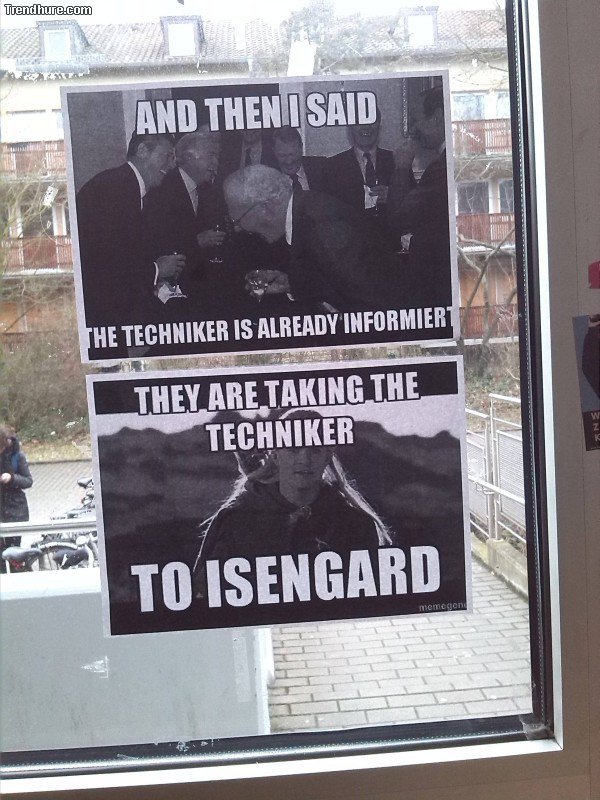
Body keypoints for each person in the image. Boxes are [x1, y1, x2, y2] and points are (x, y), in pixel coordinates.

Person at [195, 411, 390, 574]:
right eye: (294, 449)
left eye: (315, 449)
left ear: (327, 456)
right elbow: (204, 595)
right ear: (276, 455)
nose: (305, 459)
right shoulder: (235, 521)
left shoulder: (355, 524)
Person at [222, 165, 411, 313]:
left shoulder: (322, 227)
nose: (239, 228)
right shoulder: (306, 208)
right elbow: (338, 279)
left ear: (265, 207)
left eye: (238, 219)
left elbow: (370, 302)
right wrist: (291, 284)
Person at [75, 132, 182, 331]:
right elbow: (107, 266)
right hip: (104, 315)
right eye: (168, 155)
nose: (172, 165)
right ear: (142, 151)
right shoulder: (114, 190)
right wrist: (157, 270)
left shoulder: (123, 184)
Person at [143, 127, 227, 309]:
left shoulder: (207, 189)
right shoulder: (162, 189)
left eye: (217, 156)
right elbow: (156, 245)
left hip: (201, 284)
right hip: (171, 292)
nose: (216, 162)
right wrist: (197, 242)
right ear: (189, 157)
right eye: (211, 156)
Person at [385, 86, 452, 307]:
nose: (414, 129)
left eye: (417, 120)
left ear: (438, 117)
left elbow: (398, 217)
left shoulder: (442, 168)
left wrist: (402, 166)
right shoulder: (446, 163)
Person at [322, 111, 394, 216]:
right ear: (350, 127)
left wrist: (394, 196)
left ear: (379, 124)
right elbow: (329, 211)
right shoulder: (333, 166)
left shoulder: (397, 161)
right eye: (360, 122)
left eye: (371, 121)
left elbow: (413, 205)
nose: (366, 127)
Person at [0, 426, 33, 565]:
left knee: (13, 554)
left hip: (15, 510)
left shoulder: (17, 456)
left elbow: (28, 481)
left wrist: (12, 478)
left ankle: (15, 572)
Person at [272, 126, 326, 193]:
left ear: (301, 148)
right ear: (274, 151)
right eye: (282, 155)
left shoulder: (321, 168)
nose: (289, 161)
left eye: (293, 154)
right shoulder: (267, 179)